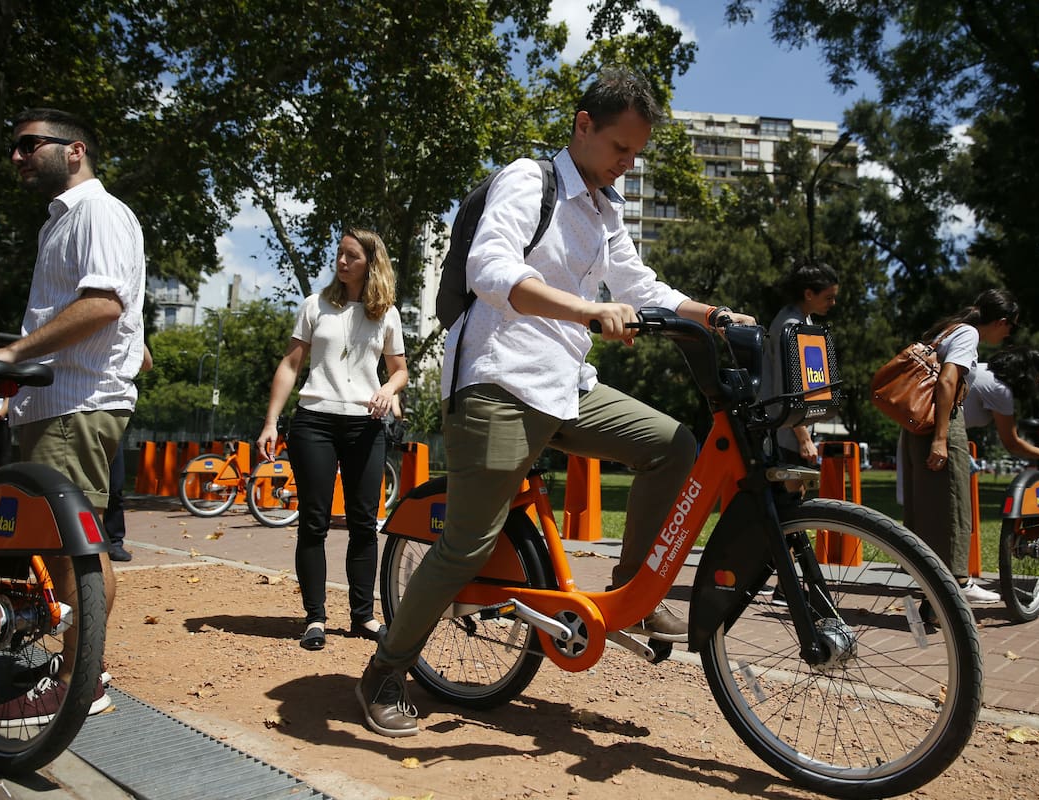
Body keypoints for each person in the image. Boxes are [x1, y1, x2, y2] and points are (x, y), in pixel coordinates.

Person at [356, 67, 755, 738]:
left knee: (673, 445)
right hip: (499, 384)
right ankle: (386, 670)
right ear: (583, 126)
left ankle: (636, 595)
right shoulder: (527, 179)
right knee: (464, 546)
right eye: (620, 149)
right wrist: (587, 310)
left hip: (568, 389)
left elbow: (639, 282)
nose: (628, 165)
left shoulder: (606, 209)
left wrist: (711, 314)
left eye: (637, 153)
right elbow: (491, 270)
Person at [0, 108, 146, 720]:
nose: (17, 157)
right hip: (56, 400)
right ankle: (77, 674)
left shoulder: (95, 212)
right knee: (61, 544)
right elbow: (119, 314)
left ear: (74, 149)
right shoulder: (62, 222)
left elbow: (104, 303)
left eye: (29, 145)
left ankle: (80, 684)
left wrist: (12, 354)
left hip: (73, 403)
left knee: (73, 550)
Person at [257, 228, 408, 652]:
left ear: (370, 263)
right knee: (314, 521)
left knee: (364, 524)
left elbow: (399, 370)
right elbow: (291, 364)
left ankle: (363, 616)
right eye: (339, 254)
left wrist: (388, 390)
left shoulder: (387, 314)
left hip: (365, 425)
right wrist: (271, 421)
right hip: (314, 423)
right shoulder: (314, 306)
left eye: (351, 256)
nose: (341, 262)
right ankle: (315, 617)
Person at [899, 289, 1019, 606]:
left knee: (927, 506)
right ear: (1002, 321)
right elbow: (947, 381)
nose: (1008, 333)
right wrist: (941, 438)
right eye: (1010, 326)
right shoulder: (967, 334)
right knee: (954, 505)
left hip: (917, 422)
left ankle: (932, 583)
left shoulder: (947, 329)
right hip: (941, 422)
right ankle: (958, 582)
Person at [763, 261, 839, 466]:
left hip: (794, 428)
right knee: (792, 495)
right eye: (828, 297)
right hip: (787, 433)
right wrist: (804, 439)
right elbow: (786, 392)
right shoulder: (791, 326)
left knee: (796, 494)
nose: (832, 303)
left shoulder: (804, 320)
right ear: (808, 294)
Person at [104, 344, 153, 562]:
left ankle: (114, 541)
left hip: (111, 412)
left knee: (114, 486)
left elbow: (147, 363)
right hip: (75, 405)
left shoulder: (127, 325)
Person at [963, 346, 1039, 465]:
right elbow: (1012, 444)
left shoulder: (982, 369)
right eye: (1038, 381)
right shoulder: (999, 389)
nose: (1037, 387)